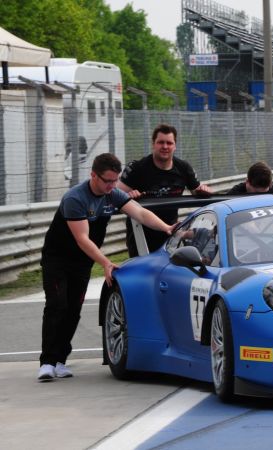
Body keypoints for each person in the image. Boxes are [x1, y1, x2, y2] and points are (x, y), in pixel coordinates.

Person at [38, 153, 176, 381]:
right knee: (57, 305)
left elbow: (140, 213)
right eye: (107, 181)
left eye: (115, 181)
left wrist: (166, 228)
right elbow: (82, 238)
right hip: (58, 260)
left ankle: (60, 359)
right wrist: (105, 262)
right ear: (93, 175)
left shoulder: (112, 194)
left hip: (82, 261)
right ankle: (47, 362)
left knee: (73, 309)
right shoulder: (75, 198)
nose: (112, 186)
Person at [117, 124, 212, 257]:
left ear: (175, 145)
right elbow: (116, 198)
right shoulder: (137, 168)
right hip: (140, 237)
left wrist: (203, 190)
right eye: (161, 142)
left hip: (171, 233)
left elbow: (197, 192)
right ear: (153, 144)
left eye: (169, 143)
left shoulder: (184, 168)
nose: (165, 147)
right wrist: (128, 196)